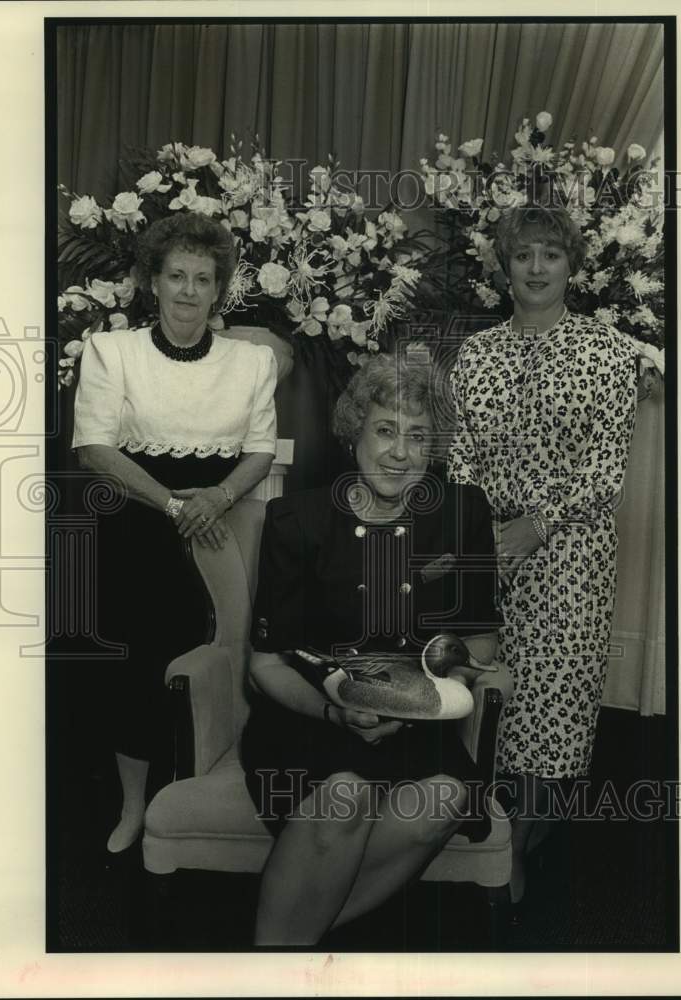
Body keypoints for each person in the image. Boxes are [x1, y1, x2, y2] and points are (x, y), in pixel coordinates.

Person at [241, 349, 500, 946]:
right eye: (385, 430)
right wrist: (336, 710)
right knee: (345, 794)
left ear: (434, 448)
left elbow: (478, 644)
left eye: (418, 436)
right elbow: (265, 666)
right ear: (353, 430)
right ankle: (280, 954)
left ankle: (287, 939)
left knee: (444, 797)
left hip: (419, 721)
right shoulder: (296, 519)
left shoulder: (462, 516)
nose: (400, 453)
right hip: (310, 717)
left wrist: (429, 694)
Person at [447, 204, 639, 908]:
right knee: (490, 687)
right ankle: (492, 829)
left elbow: (606, 466)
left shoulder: (608, 352)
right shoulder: (476, 353)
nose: (534, 269)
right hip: (490, 547)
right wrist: (474, 537)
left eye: (549, 256)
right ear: (504, 266)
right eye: (522, 256)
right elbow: (460, 456)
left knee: (551, 702)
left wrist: (540, 523)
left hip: (570, 550)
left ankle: (522, 840)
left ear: (570, 266)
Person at [72, 212, 277, 853]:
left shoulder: (251, 361)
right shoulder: (113, 351)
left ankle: (201, 798)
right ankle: (135, 807)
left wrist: (216, 498)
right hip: (139, 524)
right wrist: (171, 506)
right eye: (176, 276)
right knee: (140, 669)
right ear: (151, 283)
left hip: (224, 525)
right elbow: (93, 450)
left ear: (220, 291)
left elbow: (261, 451)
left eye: (203, 279)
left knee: (222, 658)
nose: (189, 291)